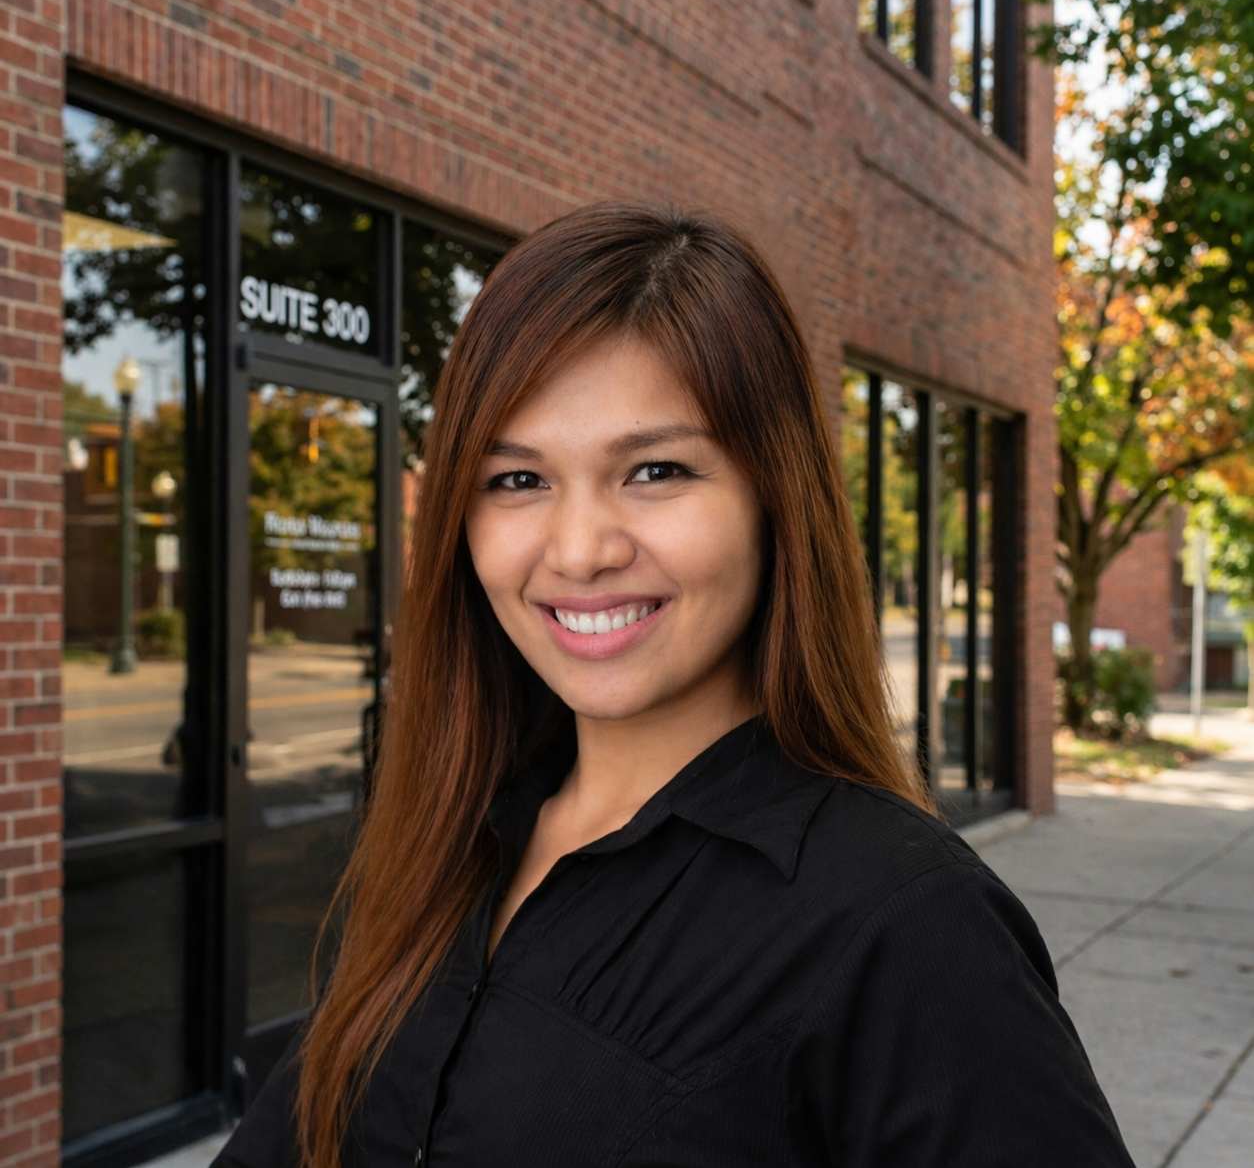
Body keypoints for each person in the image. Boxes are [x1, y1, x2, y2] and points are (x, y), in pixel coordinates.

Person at [215, 202, 1134, 1168]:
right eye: (518, 481)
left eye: (654, 470)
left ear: (772, 499)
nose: (579, 551)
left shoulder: (905, 925)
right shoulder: (450, 831)